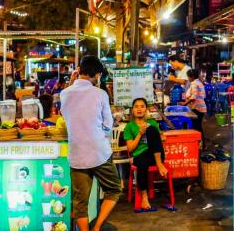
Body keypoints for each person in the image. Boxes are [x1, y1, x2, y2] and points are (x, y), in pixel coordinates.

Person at [60, 56, 121, 231]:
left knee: (80, 202)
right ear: (97, 74)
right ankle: (97, 227)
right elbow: (108, 125)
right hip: (98, 153)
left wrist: (71, 83)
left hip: (77, 154)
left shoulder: (64, 93)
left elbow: (66, 117)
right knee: (114, 189)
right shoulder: (100, 93)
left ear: (79, 71)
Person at [123, 98, 167, 212]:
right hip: (140, 156)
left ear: (146, 109)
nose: (139, 109)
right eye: (136, 106)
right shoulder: (129, 126)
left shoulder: (152, 123)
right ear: (132, 110)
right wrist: (140, 133)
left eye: (142, 106)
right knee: (142, 164)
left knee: (151, 129)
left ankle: (159, 163)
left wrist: (161, 136)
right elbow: (131, 148)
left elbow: (160, 138)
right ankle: (144, 196)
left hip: (156, 155)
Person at [180, 69, 207, 134]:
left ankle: (200, 143)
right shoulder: (199, 82)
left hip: (197, 108)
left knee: (197, 127)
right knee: (198, 127)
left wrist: (184, 104)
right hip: (200, 108)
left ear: (192, 77)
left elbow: (194, 97)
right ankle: (201, 143)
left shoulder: (195, 84)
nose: (188, 78)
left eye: (188, 77)